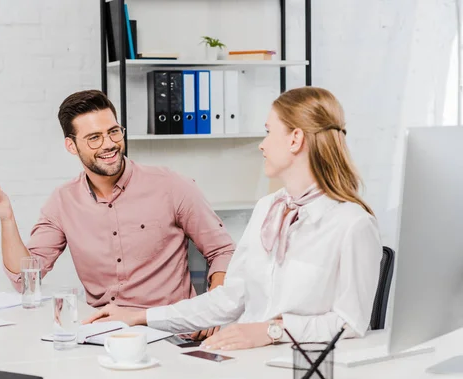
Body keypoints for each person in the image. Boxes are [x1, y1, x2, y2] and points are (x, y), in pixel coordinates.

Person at [84, 87, 383, 350]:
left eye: (268, 131)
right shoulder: (269, 208)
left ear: (295, 139)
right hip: (242, 358)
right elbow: (230, 299)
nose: (261, 144)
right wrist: (140, 316)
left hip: (298, 370)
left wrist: (271, 331)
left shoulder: (352, 224)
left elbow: (351, 323)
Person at [0, 90, 235, 339]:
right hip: (103, 334)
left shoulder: (171, 186)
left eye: (113, 132)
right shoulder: (63, 201)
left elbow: (222, 250)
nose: (109, 144)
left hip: (171, 332)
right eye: (94, 137)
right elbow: (25, 280)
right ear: (71, 146)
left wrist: (212, 310)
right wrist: (6, 218)